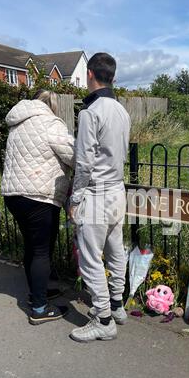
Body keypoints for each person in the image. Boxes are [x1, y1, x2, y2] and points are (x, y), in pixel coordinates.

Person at [69, 52, 131, 343]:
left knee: (91, 258)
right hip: (118, 191)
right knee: (116, 248)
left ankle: (103, 319)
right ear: (113, 77)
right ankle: (117, 305)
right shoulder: (121, 110)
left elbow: (83, 162)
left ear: (90, 74)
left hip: (96, 193)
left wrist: (75, 199)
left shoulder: (90, 112)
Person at [1, 89, 75, 325]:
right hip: (38, 195)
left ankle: (38, 291)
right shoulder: (50, 123)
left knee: (32, 247)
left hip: (14, 195)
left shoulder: (17, 123)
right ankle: (40, 308)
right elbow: (73, 155)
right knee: (42, 250)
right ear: (52, 106)